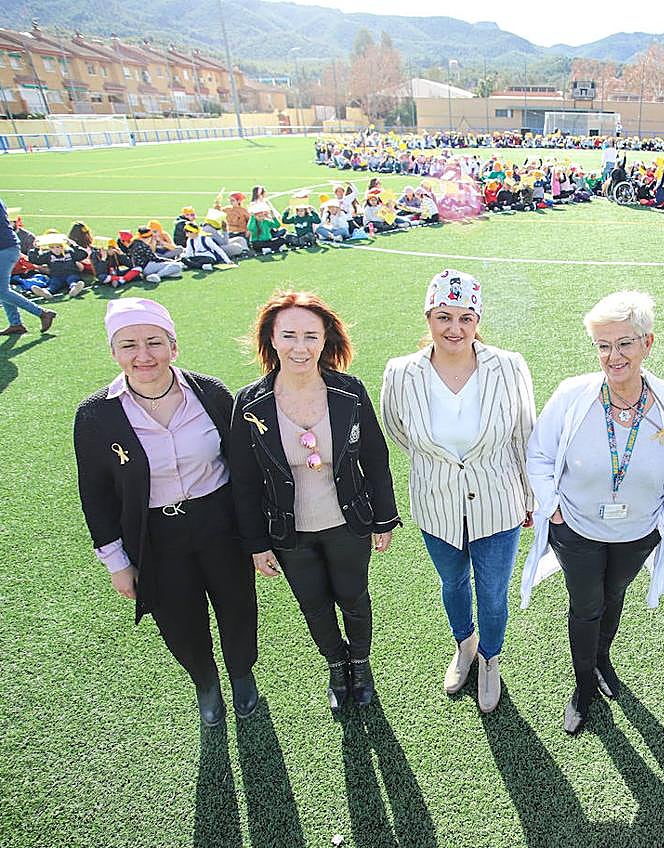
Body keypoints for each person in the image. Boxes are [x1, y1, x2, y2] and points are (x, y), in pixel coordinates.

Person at [74, 298, 260, 726]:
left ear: (173, 347)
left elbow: (241, 470)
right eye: (129, 345)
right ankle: (205, 682)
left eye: (154, 342)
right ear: (114, 352)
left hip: (220, 523)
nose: (144, 355)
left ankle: (241, 673)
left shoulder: (211, 393)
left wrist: (256, 536)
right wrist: (116, 563)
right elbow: (95, 496)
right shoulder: (96, 415)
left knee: (237, 606)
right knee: (178, 619)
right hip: (157, 535)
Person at [524, 291, 664, 734]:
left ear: (647, 344)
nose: (612, 355)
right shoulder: (571, 395)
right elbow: (539, 456)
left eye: (624, 343)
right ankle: (583, 684)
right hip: (577, 528)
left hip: (640, 531)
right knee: (586, 605)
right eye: (603, 345)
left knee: (614, 596)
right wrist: (555, 510)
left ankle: (602, 659)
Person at [228, 292, 400, 710]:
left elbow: (375, 456)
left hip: (348, 524)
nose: (299, 347)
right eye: (288, 336)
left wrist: (384, 518)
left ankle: (360, 663)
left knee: (354, 598)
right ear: (270, 339)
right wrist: (256, 544)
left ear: (326, 341)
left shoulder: (349, 391)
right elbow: (244, 480)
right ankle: (336, 665)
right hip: (289, 532)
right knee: (314, 607)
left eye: (311, 336)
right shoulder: (250, 403)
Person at [378, 270, 535, 714]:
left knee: (493, 592)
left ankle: (490, 659)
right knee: (452, 583)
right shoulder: (401, 372)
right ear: (428, 316)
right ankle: (465, 644)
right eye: (444, 316)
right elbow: (398, 430)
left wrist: (528, 496)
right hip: (436, 503)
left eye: (466, 318)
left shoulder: (508, 365)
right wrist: (442, 466)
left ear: (477, 319)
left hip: (498, 502)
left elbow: (524, 435)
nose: (455, 328)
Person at [0, 197, 55, 336]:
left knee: (2, 290)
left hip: (4, 249)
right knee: (3, 289)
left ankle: (42, 313)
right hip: (8, 247)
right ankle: (15, 324)